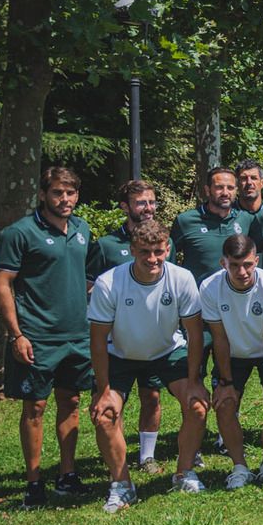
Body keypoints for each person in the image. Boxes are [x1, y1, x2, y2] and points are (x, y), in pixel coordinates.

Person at [86, 220, 210, 512]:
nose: (152, 259)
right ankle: (122, 485)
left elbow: (194, 333)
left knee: (197, 405)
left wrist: (194, 380)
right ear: (132, 251)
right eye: (145, 252)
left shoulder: (182, 278)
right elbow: (97, 341)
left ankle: (183, 472)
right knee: (105, 415)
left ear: (168, 249)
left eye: (158, 251)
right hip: (121, 355)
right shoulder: (109, 283)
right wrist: (103, 389)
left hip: (166, 352)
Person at [0, 167, 97, 507]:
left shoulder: (82, 229)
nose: (64, 199)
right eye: (57, 193)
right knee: (34, 407)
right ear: (42, 194)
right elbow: (2, 284)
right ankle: (34, 481)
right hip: (36, 336)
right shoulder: (19, 233)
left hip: (76, 336)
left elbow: (85, 278)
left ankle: (67, 475)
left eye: (70, 193)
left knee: (71, 402)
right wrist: (16, 334)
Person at [200, 234, 263, 490]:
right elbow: (219, 338)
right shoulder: (209, 288)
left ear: (257, 261)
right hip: (232, 351)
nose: (242, 271)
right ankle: (239, 467)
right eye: (234, 265)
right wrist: (226, 382)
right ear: (223, 263)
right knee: (225, 403)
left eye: (248, 265)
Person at [90, 179, 168, 473]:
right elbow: (92, 285)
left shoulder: (160, 239)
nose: (147, 208)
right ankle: (117, 456)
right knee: (113, 401)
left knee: (152, 396)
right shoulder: (107, 245)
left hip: (152, 338)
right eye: (140, 203)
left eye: (151, 202)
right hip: (116, 340)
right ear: (125, 207)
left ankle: (146, 456)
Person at [171, 166, 248, 279]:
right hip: (197, 295)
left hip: (235, 295)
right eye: (219, 187)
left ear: (236, 190)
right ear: (208, 190)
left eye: (230, 188)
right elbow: (168, 260)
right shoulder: (185, 221)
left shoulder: (246, 219)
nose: (225, 193)